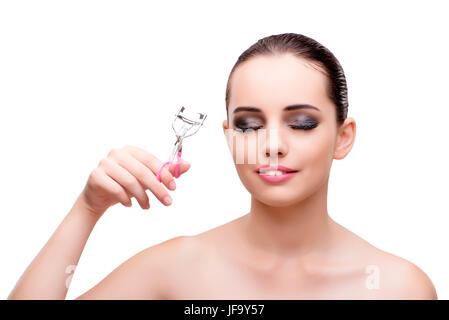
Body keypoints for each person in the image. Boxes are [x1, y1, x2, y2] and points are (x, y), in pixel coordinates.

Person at [8, 33, 437, 300]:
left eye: (301, 123)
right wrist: (87, 209)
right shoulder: (175, 269)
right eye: (249, 125)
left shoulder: (399, 288)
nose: (272, 145)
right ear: (229, 135)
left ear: (343, 137)